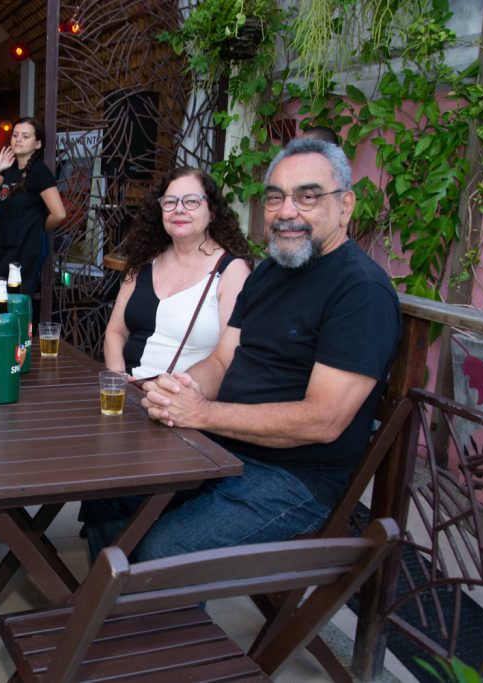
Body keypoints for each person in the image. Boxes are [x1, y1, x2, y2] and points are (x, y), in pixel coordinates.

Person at [83, 138, 401, 561]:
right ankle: (120, 613)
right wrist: (180, 388)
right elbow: (220, 359)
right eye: (275, 198)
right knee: (109, 494)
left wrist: (201, 413)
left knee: (165, 550)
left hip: (293, 478)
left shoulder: (359, 290)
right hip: (224, 446)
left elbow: (323, 420)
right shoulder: (269, 272)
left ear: (345, 206)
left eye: (307, 197)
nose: (286, 211)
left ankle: (142, 614)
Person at [103, 168, 252, 381]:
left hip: (183, 399)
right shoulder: (144, 262)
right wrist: (118, 379)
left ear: (212, 211)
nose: (179, 210)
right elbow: (116, 331)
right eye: (170, 202)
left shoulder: (231, 271)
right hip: (128, 390)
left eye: (191, 201)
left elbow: (228, 358)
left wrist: (176, 394)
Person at [0, 117, 66, 296]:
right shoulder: (9, 170)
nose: (18, 139)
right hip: (2, 246)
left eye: (25, 136)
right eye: (15, 135)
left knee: (15, 303)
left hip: (24, 249)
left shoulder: (39, 171)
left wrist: (37, 229)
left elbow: (59, 214)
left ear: (37, 144)